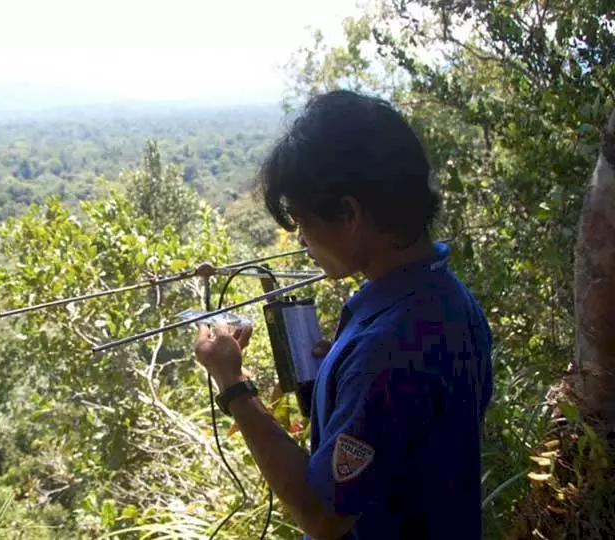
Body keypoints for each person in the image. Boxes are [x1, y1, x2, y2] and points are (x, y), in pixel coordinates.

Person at [194, 89, 493, 540]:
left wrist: (232, 384)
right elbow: (402, 441)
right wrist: (335, 384)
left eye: (300, 221)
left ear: (348, 212)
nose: (301, 242)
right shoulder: (446, 298)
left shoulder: (388, 349)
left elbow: (322, 515)